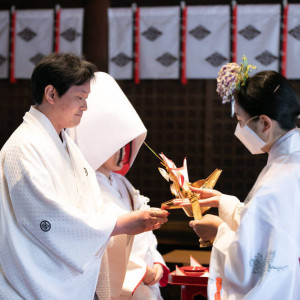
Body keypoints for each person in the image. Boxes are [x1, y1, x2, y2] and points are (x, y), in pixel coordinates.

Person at [0, 53, 168, 300]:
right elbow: (49, 220)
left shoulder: (66, 144)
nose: (85, 107)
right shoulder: (24, 148)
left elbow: (88, 206)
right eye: (80, 97)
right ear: (51, 94)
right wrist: (120, 224)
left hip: (65, 282)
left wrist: (129, 222)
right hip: (33, 285)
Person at [178, 57, 300, 299]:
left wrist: (218, 231)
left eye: (242, 122)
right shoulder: (289, 160)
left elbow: (251, 266)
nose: (240, 130)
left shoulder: (278, 180)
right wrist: (223, 202)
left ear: (265, 123)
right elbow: (267, 228)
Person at [69, 72, 169, 300]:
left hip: (145, 281)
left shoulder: (122, 183)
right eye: (116, 145)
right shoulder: (83, 185)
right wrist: (141, 270)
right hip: (123, 284)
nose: (124, 152)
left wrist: (155, 262)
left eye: (127, 144)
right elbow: (100, 239)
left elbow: (145, 238)